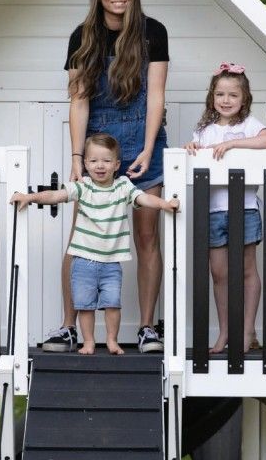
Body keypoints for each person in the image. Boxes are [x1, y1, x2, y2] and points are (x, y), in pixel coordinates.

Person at [43, 0, 170, 354]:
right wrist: (77, 156)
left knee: (147, 237)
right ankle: (68, 328)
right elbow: (79, 101)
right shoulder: (83, 37)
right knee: (81, 240)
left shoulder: (153, 32)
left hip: (142, 139)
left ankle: (147, 327)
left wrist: (149, 148)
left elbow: (156, 96)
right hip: (98, 141)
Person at [12, 134, 179, 355]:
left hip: (111, 263)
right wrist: (30, 197)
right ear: (85, 164)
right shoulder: (82, 187)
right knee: (85, 306)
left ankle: (112, 340)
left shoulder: (123, 187)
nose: (100, 166)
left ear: (117, 164)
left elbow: (144, 199)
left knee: (113, 304)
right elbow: (56, 195)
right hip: (83, 261)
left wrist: (165, 204)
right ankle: (88, 341)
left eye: (106, 161)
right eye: (93, 161)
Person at [184, 64, 266, 352]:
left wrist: (234, 144)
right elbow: (196, 154)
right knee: (219, 273)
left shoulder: (248, 124)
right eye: (220, 94)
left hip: (245, 208)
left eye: (232, 95)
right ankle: (225, 333)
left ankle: (248, 331)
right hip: (213, 212)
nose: (225, 100)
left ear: (244, 99)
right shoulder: (205, 130)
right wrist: (191, 149)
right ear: (212, 97)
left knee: (247, 269)